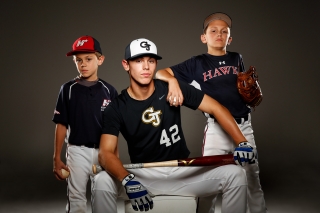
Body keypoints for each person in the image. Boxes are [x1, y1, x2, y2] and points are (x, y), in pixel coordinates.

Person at [92, 38, 255, 213]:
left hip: (182, 171)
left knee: (236, 175)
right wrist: (127, 179)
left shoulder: (171, 88)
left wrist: (242, 142)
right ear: (126, 65)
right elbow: (105, 154)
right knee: (101, 180)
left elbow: (216, 108)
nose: (146, 67)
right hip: (145, 176)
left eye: (151, 61)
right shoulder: (116, 107)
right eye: (138, 61)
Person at [155, 12, 267, 212]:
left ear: (230, 38)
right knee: (209, 179)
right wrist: (173, 81)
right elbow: (160, 72)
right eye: (213, 31)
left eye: (224, 32)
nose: (219, 34)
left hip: (243, 125)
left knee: (252, 176)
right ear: (203, 37)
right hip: (217, 129)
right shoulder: (197, 62)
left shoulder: (236, 58)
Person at [52, 35, 118, 213]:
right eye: (78, 60)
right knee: (76, 199)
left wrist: (115, 155)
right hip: (77, 151)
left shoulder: (109, 90)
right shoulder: (68, 89)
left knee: (104, 193)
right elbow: (61, 124)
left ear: (100, 59)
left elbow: (114, 128)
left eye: (88, 59)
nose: (83, 64)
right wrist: (56, 157)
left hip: (103, 151)